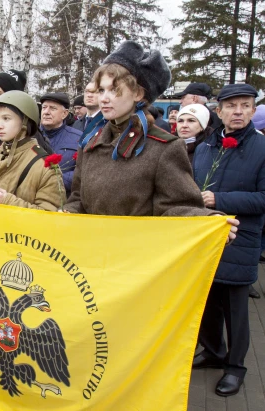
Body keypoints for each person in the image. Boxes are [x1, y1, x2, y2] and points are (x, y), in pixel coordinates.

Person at [64, 40, 237, 227]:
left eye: (114, 90)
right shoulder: (90, 144)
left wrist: (209, 221)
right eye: (101, 90)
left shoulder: (163, 148)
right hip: (90, 250)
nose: (104, 98)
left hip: (135, 252)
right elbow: (77, 199)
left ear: (138, 94)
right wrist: (66, 213)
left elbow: (176, 207)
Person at [192, 84, 265, 396]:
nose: (238, 111)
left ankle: (235, 367)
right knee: (207, 303)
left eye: (245, 105)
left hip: (241, 239)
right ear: (217, 112)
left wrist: (218, 198)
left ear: (252, 110)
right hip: (206, 238)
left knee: (235, 310)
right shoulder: (206, 146)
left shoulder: (262, 149)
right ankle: (213, 351)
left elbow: (263, 198)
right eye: (231, 106)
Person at [0, 90, 65, 210]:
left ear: (25, 121)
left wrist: (8, 202)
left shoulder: (45, 165)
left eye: (6, 118)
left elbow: (50, 216)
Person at [39, 92, 81, 196]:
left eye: (52, 108)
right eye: (44, 108)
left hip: (63, 202)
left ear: (65, 114)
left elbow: (82, 172)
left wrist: (53, 180)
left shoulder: (78, 138)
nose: (46, 112)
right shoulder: (31, 136)